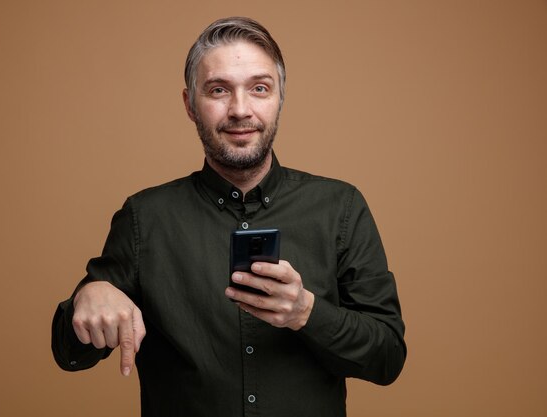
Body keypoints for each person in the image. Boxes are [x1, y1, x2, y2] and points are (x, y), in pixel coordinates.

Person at [52, 16, 406, 417]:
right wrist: (88, 295)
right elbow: (69, 353)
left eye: (259, 88)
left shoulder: (341, 207)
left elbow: (388, 357)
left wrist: (306, 312)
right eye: (219, 90)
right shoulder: (143, 218)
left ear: (279, 98)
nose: (240, 110)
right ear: (189, 104)